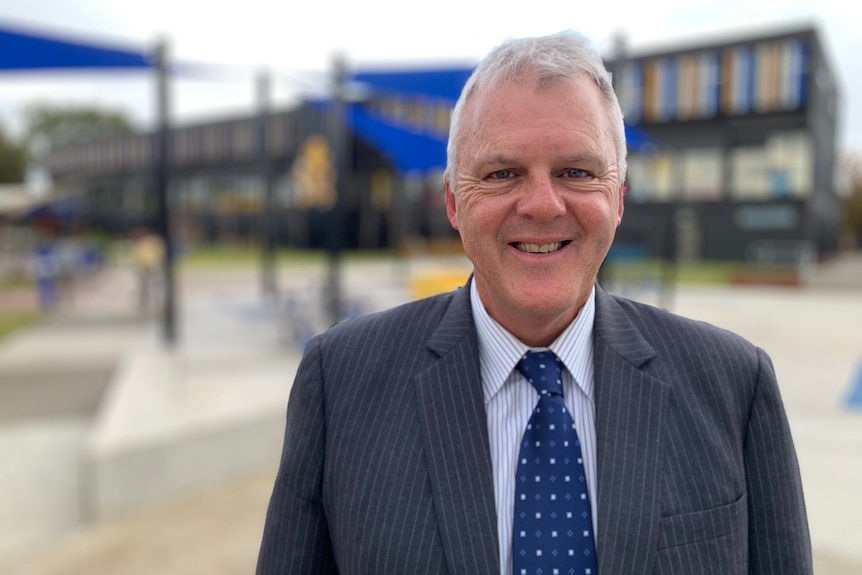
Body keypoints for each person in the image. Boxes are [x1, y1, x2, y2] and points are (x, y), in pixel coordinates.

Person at [257, 31, 811, 574]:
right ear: (453, 201)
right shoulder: (340, 381)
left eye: (576, 172)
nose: (543, 205)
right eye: (503, 174)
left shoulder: (734, 384)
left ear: (617, 198)